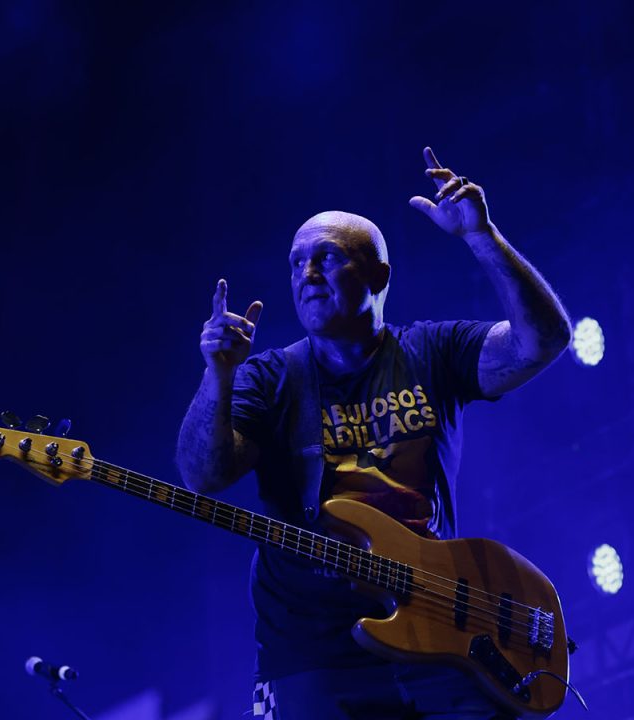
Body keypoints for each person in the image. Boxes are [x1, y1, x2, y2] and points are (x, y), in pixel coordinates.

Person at [176, 147, 571, 719]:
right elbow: (203, 476)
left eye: (327, 257)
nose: (307, 274)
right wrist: (218, 374)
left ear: (378, 274)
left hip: (439, 635)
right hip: (313, 657)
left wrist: (481, 236)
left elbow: (543, 342)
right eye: (296, 263)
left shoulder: (431, 351)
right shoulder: (271, 377)